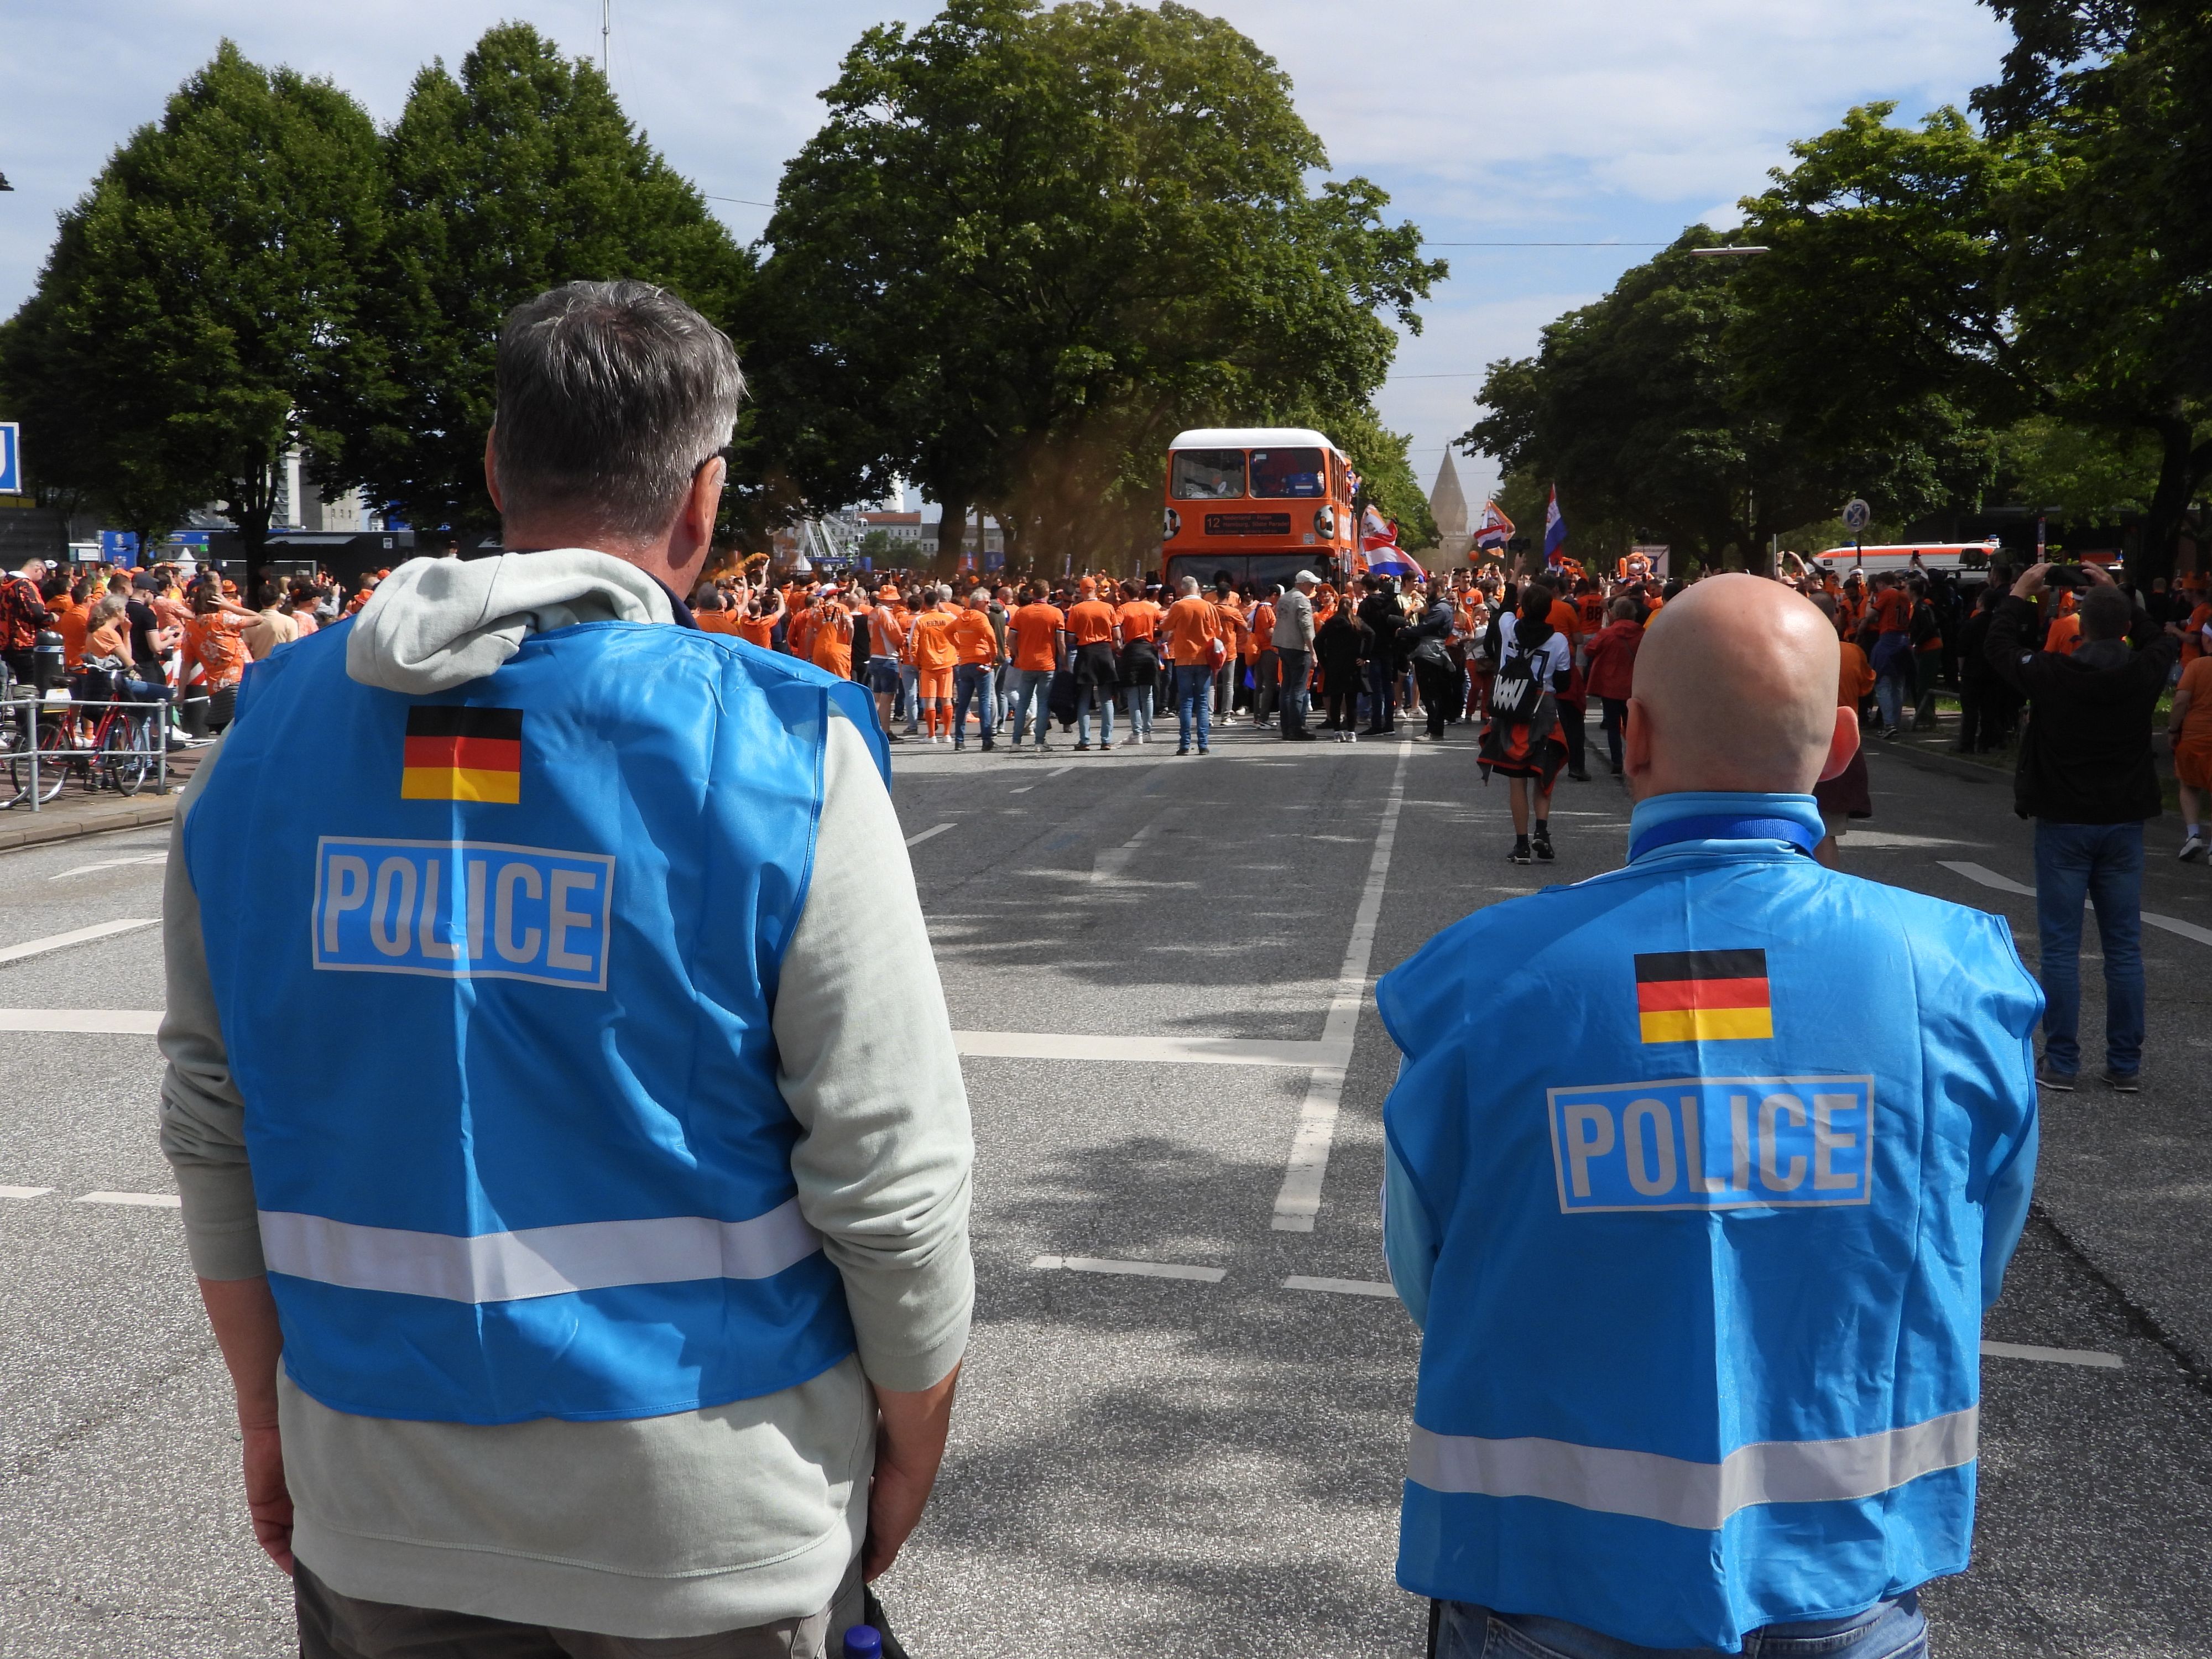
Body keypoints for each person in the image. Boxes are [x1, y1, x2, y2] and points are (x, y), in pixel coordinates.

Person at [159, 279, 973, 1658]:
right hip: (702, 1511)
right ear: (703, 501)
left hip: (375, 1488)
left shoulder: (265, 735)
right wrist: (911, 1436)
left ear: (494, 463)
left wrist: (266, 1410)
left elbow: (209, 1115)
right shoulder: (781, 749)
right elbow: (890, 1173)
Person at [1381, 573, 2040, 1659]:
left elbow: (1427, 1270)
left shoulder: (1483, 982)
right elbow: (1977, 1254)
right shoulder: (1958, 978)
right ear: (1837, 743)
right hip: (1839, 1579)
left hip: (1546, 1581)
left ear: (1632, 736)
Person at [1986, 562, 2182, 1089]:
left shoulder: (2053, 674)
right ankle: (2124, 1064)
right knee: (2122, 947)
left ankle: (2064, 1060)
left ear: (2080, 627)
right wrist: (2120, 595)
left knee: (2060, 947)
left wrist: (2020, 595)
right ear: (2122, 627)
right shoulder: (2143, 673)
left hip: (2064, 820)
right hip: (2123, 822)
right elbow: (2161, 640)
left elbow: (1999, 649)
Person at [1479, 586, 1573, 863]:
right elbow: (1565, 683)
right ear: (1549, 609)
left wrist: (1514, 578)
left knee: (1516, 780)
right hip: (1542, 708)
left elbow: (1504, 610)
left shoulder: (1510, 628)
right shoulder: (1558, 641)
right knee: (1543, 774)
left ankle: (1521, 846)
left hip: (1510, 707)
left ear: (1523, 606)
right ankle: (1541, 831)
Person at [1809, 592, 1876, 865]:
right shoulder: (1851, 653)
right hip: (1838, 746)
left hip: (1796, 745)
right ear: (1836, 616)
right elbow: (1866, 685)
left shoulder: (1786, 652)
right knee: (1827, 832)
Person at [1164, 574, 1223, 755]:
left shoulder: (1178, 606)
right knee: (1203, 703)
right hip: (1204, 659)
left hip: (1182, 660)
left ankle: (1184, 745)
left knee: (1186, 702)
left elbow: (1166, 627)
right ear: (1197, 588)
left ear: (1182, 589)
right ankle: (1203, 745)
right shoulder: (1208, 606)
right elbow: (1218, 631)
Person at [1006, 584, 1065, 752]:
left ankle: (1016, 743)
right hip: (1047, 664)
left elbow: (1011, 638)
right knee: (1043, 703)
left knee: (1023, 703)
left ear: (1033, 593)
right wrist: (1065, 662)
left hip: (1026, 664)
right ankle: (1039, 742)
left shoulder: (1022, 612)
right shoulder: (1056, 613)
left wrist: (1018, 654)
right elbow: (1061, 642)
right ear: (1047, 593)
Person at [1065, 577, 1120, 752]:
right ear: (1096, 589)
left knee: (1084, 697)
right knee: (1106, 698)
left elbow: (1071, 638)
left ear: (1081, 591)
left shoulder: (1076, 610)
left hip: (1086, 653)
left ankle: (1085, 740)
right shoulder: (1108, 608)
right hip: (1104, 652)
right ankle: (1107, 740)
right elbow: (1117, 635)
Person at [2172, 645, 2212, 862]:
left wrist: (2173, 729)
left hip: (2195, 735)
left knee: (2188, 784)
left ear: (2207, 639)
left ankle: (2193, 835)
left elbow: (2180, 701)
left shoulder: (2197, 666)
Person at [950, 587, 999, 752]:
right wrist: (993, 655)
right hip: (981, 662)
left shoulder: (962, 617)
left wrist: (960, 647)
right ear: (978, 603)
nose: (989, 605)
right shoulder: (981, 618)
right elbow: (991, 637)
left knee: (963, 703)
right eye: (986, 602)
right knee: (985, 700)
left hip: (965, 663)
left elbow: (947, 632)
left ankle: (959, 740)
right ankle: (987, 740)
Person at [1316, 592, 1371, 739]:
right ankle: (1351, 732)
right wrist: (1364, 656)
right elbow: (1371, 634)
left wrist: (1323, 660)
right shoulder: (1357, 622)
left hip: (1334, 665)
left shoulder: (1331, 622)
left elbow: (1318, 641)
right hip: (1352, 665)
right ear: (1352, 608)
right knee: (1351, 700)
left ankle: (1337, 732)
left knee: (1336, 699)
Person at [1407, 586, 1459, 742]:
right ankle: (1435, 729)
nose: (1427, 592)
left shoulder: (1441, 609)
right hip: (1432, 653)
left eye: (1429, 589)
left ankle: (1434, 730)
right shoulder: (1440, 608)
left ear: (1437, 589)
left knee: (1431, 694)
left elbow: (1425, 628)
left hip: (1431, 654)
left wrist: (1404, 631)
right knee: (1433, 693)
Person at [1114, 580, 1163, 746]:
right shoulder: (1151, 608)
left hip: (1132, 651)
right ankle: (1147, 731)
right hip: (1149, 650)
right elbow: (1164, 623)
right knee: (1147, 693)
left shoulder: (1123, 609)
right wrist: (1159, 640)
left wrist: (1119, 645)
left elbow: (1115, 626)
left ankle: (1137, 733)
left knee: (1133, 694)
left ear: (1126, 594)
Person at [1274, 570, 1318, 740]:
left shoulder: (1284, 598)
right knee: (1299, 690)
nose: (1313, 587)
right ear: (1301, 584)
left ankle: (1286, 728)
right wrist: (1313, 652)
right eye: (1311, 585)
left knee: (1286, 688)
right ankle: (1297, 727)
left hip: (1283, 645)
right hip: (1299, 647)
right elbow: (1307, 628)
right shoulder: (1302, 601)